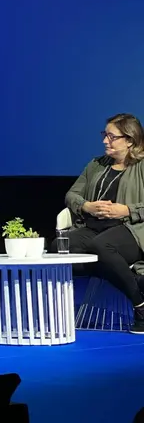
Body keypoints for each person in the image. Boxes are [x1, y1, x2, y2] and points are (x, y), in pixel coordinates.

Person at [54, 113, 144, 334]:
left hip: (131, 228)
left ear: (130, 139)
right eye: (105, 135)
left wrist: (127, 210)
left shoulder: (141, 166)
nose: (105, 141)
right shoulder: (96, 164)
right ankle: (134, 282)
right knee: (60, 246)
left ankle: (140, 307)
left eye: (112, 137)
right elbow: (71, 195)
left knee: (102, 247)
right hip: (94, 227)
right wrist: (87, 206)